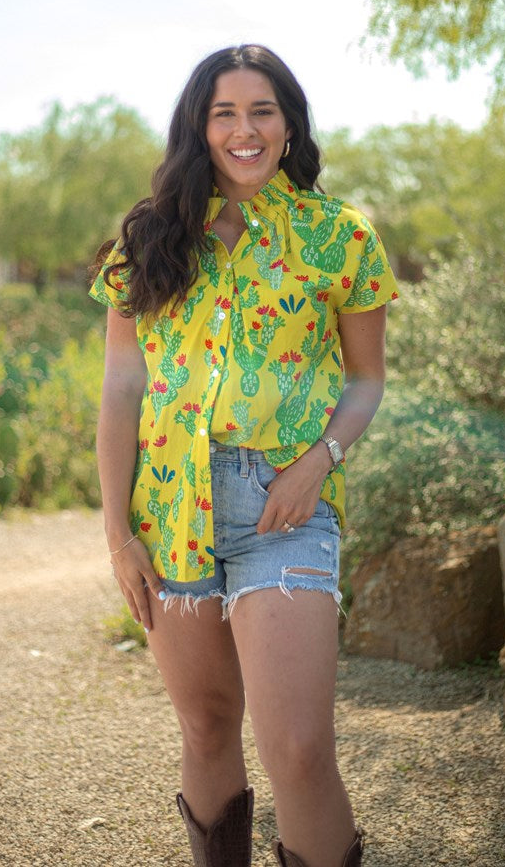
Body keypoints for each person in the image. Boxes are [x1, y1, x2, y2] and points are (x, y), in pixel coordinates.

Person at [89, 45, 398, 867]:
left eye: (262, 110)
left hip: (283, 511)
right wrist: (118, 532)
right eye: (224, 112)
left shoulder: (342, 238)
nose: (244, 129)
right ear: (200, 126)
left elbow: (366, 382)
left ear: (289, 123)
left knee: (298, 748)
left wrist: (316, 464)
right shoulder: (151, 241)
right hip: (170, 512)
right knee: (206, 726)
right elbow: (121, 395)